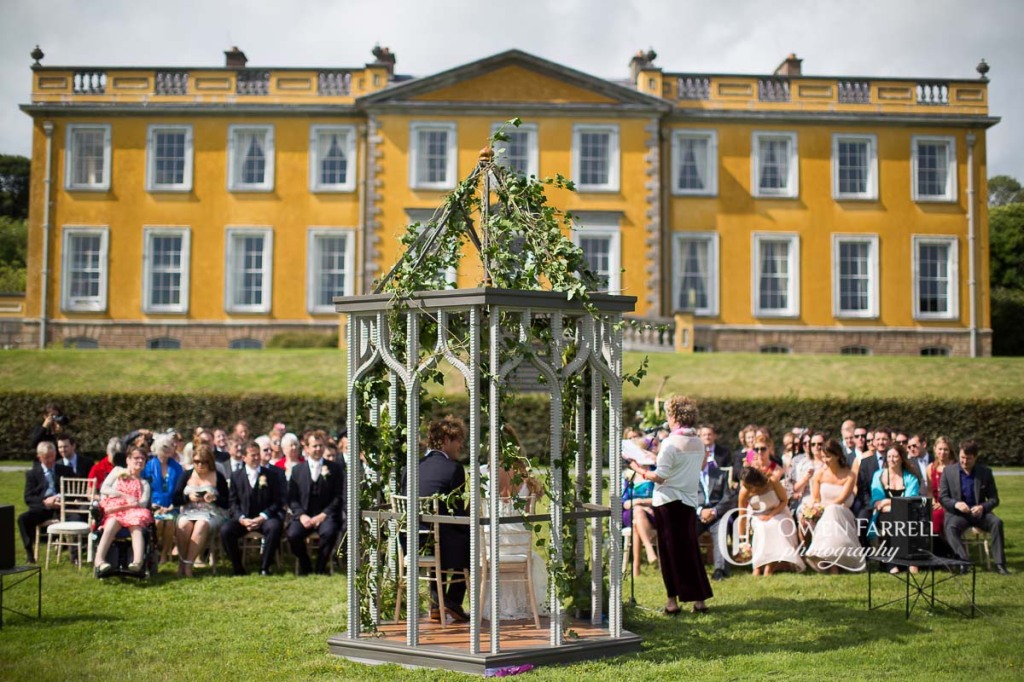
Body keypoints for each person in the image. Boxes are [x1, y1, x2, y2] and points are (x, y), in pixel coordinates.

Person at [628, 395, 712, 614]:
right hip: (689, 502)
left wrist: (638, 468)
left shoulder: (670, 443)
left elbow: (661, 476)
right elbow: (697, 465)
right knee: (690, 550)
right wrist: (656, 458)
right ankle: (699, 600)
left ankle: (672, 602)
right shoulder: (698, 441)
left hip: (668, 502)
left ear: (674, 416)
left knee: (669, 552)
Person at [401, 416, 471, 621]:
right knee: (470, 542)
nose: (461, 445)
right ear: (446, 440)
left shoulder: (410, 467)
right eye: (458, 440)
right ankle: (451, 601)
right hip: (438, 542)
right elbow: (456, 515)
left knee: (439, 535)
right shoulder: (453, 469)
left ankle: (435, 603)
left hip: (409, 540)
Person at [480, 427, 548, 622]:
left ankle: (491, 603)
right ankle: (521, 605)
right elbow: (530, 516)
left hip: (492, 547)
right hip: (518, 548)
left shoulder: (483, 474)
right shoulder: (526, 477)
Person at [939, 440, 1009, 575]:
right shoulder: (948, 472)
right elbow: (943, 498)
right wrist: (956, 504)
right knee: (950, 527)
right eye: (962, 458)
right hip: (958, 514)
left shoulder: (985, 472)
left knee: (997, 523)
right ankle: (963, 562)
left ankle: (1000, 564)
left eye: (968, 458)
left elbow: (994, 499)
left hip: (979, 513)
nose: (964, 461)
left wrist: (982, 507)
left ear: (975, 457)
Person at [221, 440, 286, 576]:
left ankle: (265, 567)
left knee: (275, 527)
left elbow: (277, 501)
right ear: (244, 457)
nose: (256, 458)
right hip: (244, 519)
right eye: (252, 455)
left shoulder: (271, 475)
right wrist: (242, 519)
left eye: (258, 455)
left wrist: (263, 516)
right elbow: (233, 502)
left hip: (264, 519)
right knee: (226, 530)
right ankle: (238, 568)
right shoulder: (236, 476)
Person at [287, 430, 346, 576]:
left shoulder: (335, 469)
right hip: (304, 516)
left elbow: (338, 496)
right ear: (306, 448)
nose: (318, 449)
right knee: (293, 534)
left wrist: (323, 515)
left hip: (326, 516)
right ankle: (305, 565)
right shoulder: (297, 471)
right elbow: (292, 498)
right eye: (314, 446)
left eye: (320, 446)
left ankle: (320, 567)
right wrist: (301, 515)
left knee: (330, 532)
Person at [803, 440, 864, 573]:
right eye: (823, 456)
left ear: (837, 456)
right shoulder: (819, 474)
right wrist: (815, 509)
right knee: (829, 513)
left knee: (833, 509)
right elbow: (816, 498)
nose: (825, 460)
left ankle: (835, 563)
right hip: (825, 513)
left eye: (828, 456)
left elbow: (841, 498)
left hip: (843, 512)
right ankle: (832, 563)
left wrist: (826, 507)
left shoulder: (849, 475)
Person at [94, 447, 154, 576]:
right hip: (116, 511)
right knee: (111, 524)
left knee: (136, 525)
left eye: (142, 459)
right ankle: (99, 560)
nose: (139, 461)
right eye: (136, 458)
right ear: (128, 460)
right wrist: (125, 497)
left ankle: (137, 562)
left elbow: (143, 503)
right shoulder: (117, 472)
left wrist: (128, 506)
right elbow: (104, 488)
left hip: (133, 513)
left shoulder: (144, 483)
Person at [736, 466, 805, 576]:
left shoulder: (771, 481)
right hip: (758, 515)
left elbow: (784, 501)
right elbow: (742, 516)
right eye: (744, 485)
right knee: (762, 527)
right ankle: (758, 566)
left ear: (756, 481)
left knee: (775, 525)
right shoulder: (744, 491)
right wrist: (742, 540)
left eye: (749, 485)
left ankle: (769, 567)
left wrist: (770, 515)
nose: (746, 488)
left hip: (779, 511)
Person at [172, 444, 229, 577]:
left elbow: (227, 503)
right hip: (188, 511)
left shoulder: (218, 476)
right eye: (197, 462)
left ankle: (188, 565)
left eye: (204, 462)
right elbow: (175, 499)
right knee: (183, 524)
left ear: (210, 462)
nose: (200, 465)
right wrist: (188, 498)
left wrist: (214, 498)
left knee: (201, 524)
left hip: (211, 513)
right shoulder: (186, 475)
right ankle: (182, 563)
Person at [18, 441, 73, 563]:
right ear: (39, 458)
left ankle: (74, 554)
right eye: (46, 458)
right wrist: (45, 502)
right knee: (23, 519)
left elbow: (72, 491)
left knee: (77, 516)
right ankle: (29, 553)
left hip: (61, 507)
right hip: (42, 509)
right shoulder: (32, 474)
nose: (50, 460)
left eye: (52, 456)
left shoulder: (65, 470)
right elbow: (28, 498)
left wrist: (59, 498)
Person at [869, 443, 921, 573]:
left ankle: (909, 561)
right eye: (889, 456)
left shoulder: (910, 477)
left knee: (902, 519)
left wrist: (888, 502)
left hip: (907, 513)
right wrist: (890, 504)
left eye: (895, 456)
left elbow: (910, 500)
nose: (891, 459)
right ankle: (891, 563)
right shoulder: (878, 475)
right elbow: (877, 502)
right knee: (890, 521)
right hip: (884, 515)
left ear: (902, 458)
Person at [694, 449, 737, 580]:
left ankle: (720, 570)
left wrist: (713, 511)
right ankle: (691, 569)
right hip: (696, 515)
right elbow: (685, 498)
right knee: (686, 532)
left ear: (707, 455)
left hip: (717, 514)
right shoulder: (687, 477)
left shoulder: (720, 474)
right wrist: (700, 511)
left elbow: (728, 498)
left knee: (721, 530)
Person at [143, 434, 183, 564]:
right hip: (153, 506)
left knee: (170, 522)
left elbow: (179, 489)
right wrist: (153, 504)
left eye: (170, 447)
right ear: (158, 448)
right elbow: (144, 487)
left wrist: (172, 505)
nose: (168, 450)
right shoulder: (148, 466)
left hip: (171, 506)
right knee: (158, 523)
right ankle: (154, 551)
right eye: (165, 447)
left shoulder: (176, 467)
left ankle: (165, 554)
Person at [926, 436, 955, 549]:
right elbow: (929, 490)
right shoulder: (930, 468)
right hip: (935, 503)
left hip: (950, 503)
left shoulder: (955, 467)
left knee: (937, 516)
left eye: (945, 449)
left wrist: (943, 504)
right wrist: (932, 501)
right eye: (940, 449)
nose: (942, 452)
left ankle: (944, 549)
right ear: (935, 449)